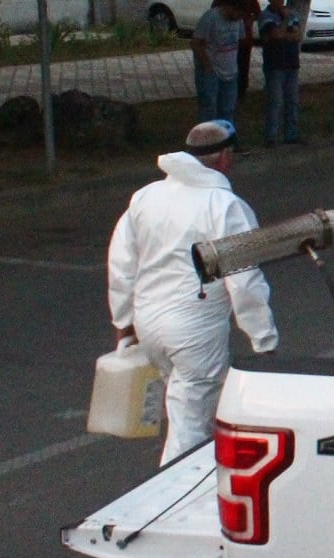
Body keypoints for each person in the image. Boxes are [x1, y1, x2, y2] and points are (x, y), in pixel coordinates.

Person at [107, 119, 278, 464]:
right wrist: (264, 340)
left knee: (192, 410)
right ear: (225, 157)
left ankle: (204, 487)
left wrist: (123, 321)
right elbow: (244, 280)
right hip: (195, 329)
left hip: (149, 323)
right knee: (189, 427)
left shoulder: (146, 196)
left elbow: (122, 263)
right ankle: (170, 502)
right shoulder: (226, 207)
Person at [191, 0, 250, 125]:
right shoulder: (211, 17)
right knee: (208, 107)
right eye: (239, 14)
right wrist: (207, 66)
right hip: (212, 71)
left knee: (228, 109)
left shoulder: (238, 20)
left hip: (230, 71)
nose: (239, 18)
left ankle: (226, 140)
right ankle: (208, 141)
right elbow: (196, 43)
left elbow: (241, 40)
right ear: (232, 8)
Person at [258, 0, 304, 146]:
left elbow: (297, 35)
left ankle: (291, 135)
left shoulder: (291, 13)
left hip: (291, 63)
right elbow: (275, 35)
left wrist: (284, 33)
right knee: (275, 101)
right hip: (275, 64)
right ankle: (271, 136)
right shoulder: (266, 15)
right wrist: (285, 21)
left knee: (292, 100)